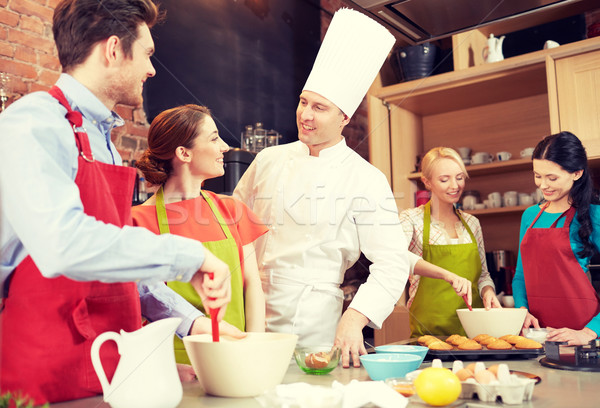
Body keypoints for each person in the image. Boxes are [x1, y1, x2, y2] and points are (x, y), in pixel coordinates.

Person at [0, 0, 231, 404]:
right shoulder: (33, 123)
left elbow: (117, 267)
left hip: (107, 369)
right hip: (40, 377)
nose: (152, 69)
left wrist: (190, 324)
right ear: (112, 50)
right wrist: (190, 256)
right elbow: (64, 245)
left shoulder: (103, 142)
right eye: (147, 53)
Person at [233, 8, 471, 368]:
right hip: (247, 309)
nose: (305, 115)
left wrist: (355, 316)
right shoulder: (268, 158)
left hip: (311, 319)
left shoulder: (365, 178)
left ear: (344, 117)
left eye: (319, 107)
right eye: (302, 102)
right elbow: (233, 223)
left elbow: (391, 263)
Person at [132, 104, 268, 364]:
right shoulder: (137, 220)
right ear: (184, 153)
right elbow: (142, 305)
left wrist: (255, 349)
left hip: (236, 355)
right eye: (215, 138)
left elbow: (253, 286)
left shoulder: (232, 210)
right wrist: (162, 367)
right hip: (174, 364)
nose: (225, 147)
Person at [399, 147, 501, 337]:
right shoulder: (411, 220)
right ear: (427, 182)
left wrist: (488, 291)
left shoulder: (472, 223)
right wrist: (447, 275)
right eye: (445, 179)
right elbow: (398, 257)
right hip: (429, 335)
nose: (455, 185)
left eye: (460, 177)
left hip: (474, 334)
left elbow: (483, 275)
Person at [512, 131, 600, 345]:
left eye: (552, 178)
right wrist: (521, 311)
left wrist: (589, 332)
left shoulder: (593, 215)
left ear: (577, 173)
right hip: (538, 336)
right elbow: (520, 276)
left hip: (582, 337)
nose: (543, 185)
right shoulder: (530, 216)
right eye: (537, 175)